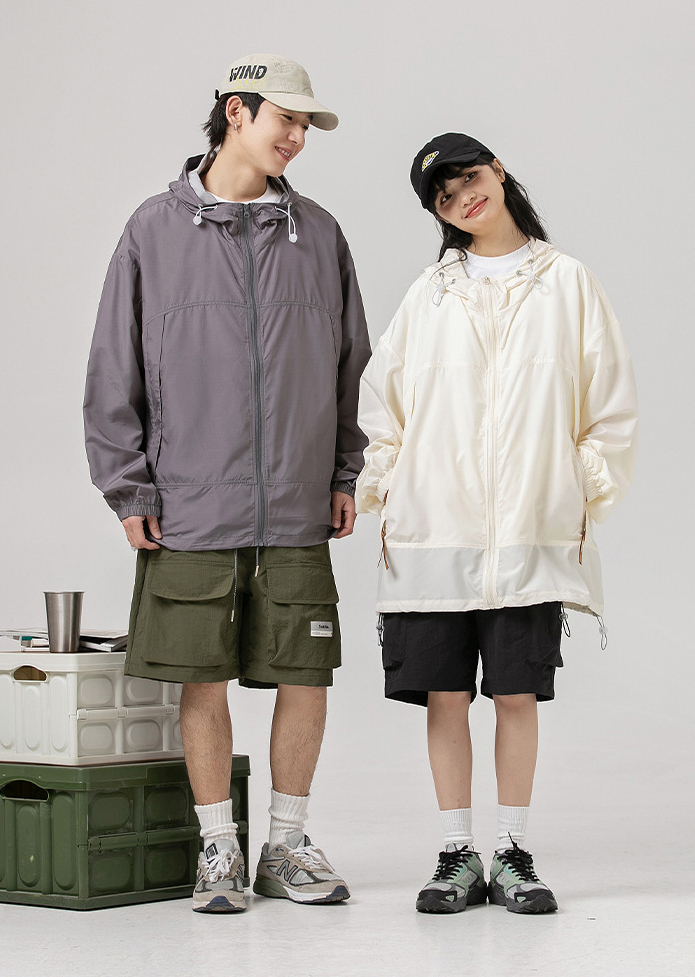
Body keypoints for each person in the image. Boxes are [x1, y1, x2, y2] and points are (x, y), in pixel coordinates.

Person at [84, 53, 371, 914]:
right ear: (236, 112)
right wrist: (130, 488)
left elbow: (351, 364)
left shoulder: (318, 233)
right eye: (286, 119)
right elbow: (113, 364)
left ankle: (286, 842)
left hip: (295, 501)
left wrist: (343, 469)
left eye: (306, 125)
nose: (297, 138)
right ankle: (219, 847)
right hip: (190, 501)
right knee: (199, 677)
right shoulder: (153, 230)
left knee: (306, 672)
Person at [355, 132, 637, 915]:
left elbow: (609, 404)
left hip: (528, 538)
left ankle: (511, 851)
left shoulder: (567, 282)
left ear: (499, 171)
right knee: (444, 696)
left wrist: (570, 493)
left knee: (516, 695)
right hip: (431, 534)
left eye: (469, 178)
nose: (463, 199)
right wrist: (387, 487)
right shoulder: (429, 293)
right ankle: (456, 852)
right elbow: (382, 403)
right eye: (445, 197)